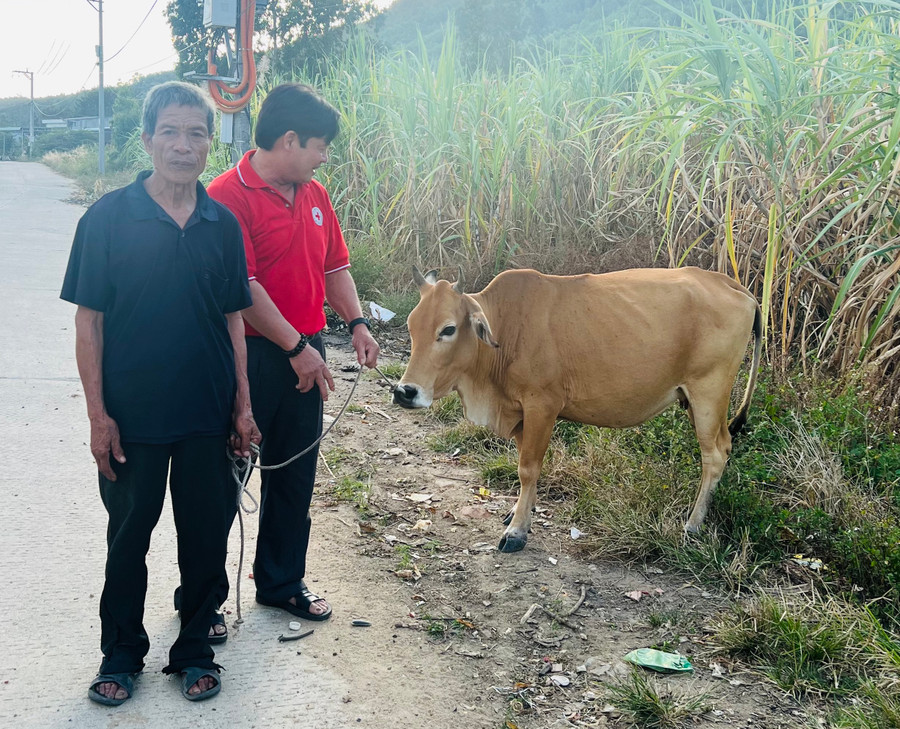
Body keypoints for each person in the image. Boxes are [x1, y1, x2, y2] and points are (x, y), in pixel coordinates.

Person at [61, 81, 260, 705]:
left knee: (205, 537)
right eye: (170, 132)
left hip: (206, 413)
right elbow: (88, 322)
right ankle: (121, 653)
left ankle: (195, 646)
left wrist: (243, 403)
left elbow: (235, 318)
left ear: (210, 145)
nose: (183, 145)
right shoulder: (108, 219)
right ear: (147, 140)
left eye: (196, 134)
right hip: (133, 414)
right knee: (128, 539)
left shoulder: (220, 224)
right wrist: (98, 417)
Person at [207, 83, 379, 621]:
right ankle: (204, 600)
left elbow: (334, 267)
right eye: (320, 146)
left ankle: (281, 581)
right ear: (288, 139)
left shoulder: (316, 194)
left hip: (307, 351)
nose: (325, 157)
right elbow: (245, 289)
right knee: (225, 477)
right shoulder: (226, 197)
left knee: (294, 474)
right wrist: (297, 347)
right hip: (247, 356)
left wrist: (355, 323)